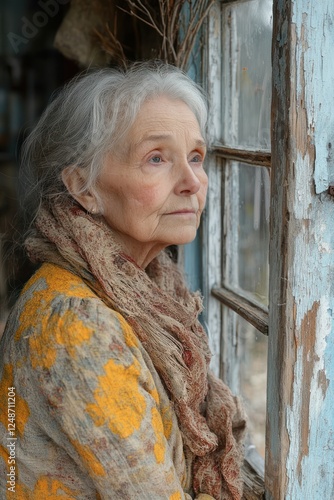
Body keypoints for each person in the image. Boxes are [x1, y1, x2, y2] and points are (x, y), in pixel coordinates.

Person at [0, 62, 245, 499]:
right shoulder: (76, 326)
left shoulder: (145, 288)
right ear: (84, 188)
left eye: (195, 157)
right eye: (156, 158)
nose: (193, 183)